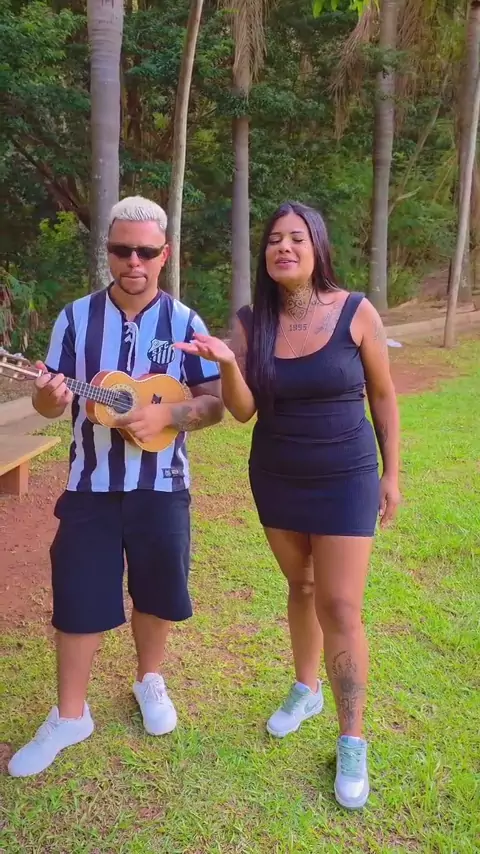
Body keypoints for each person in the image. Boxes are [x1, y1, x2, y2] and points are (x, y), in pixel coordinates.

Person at [176, 201, 400, 810]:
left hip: (347, 475)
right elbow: (244, 410)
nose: (284, 247)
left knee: (340, 603)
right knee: (300, 586)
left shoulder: (355, 311)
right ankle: (307, 689)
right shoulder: (253, 322)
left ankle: (352, 738)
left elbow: (383, 396)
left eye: (296, 238)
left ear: (317, 246)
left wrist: (392, 475)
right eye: (275, 239)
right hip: (277, 476)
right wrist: (229, 363)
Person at [8, 196, 223, 778]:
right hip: (90, 486)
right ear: (107, 251)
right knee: (77, 592)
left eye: (146, 252)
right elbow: (49, 404)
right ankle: (70, 714)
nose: (134, 261)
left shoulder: (185, 323)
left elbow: (214, 404)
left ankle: (149, 679)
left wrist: (169, 416)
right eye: (122, 249)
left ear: (164, 255)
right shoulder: (75, 319)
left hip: (163, 485)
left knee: (157, 588)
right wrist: (47, 396)